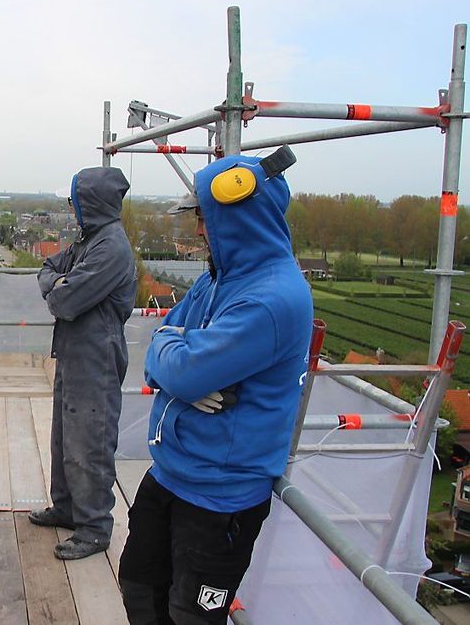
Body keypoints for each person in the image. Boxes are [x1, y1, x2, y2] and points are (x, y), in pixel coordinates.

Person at [119, 148, 309, 624]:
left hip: (221, 498)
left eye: (206, 217)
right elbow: (160, 356)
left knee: (192, 615)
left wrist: (177, 367)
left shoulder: (271, 300)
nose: (200, 230)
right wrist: (173, 359)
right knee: (140, 589)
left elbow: (179, 370)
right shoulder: (218, 281)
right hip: (171, 472)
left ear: (239, 213)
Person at [30, 166, 137, 560]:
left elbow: (64, 301)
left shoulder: (110, 247)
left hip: (97, 359)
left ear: (89, 202)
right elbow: (47, 271)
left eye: (75, 199)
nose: (72, 207)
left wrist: (59, 286)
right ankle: (68, 507)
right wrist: (58, 283)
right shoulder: (89, 239)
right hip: (74, 353)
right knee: (64, 435)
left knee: (89, 440)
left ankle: (93, 527)